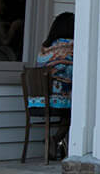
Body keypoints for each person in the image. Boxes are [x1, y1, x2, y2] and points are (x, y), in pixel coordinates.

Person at [29, 12, 75, 159]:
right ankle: (55, 139)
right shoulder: (71, 46)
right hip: (58, 102)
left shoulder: (45, 48)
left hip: (37, 101)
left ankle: (56, 144)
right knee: (78, 110)